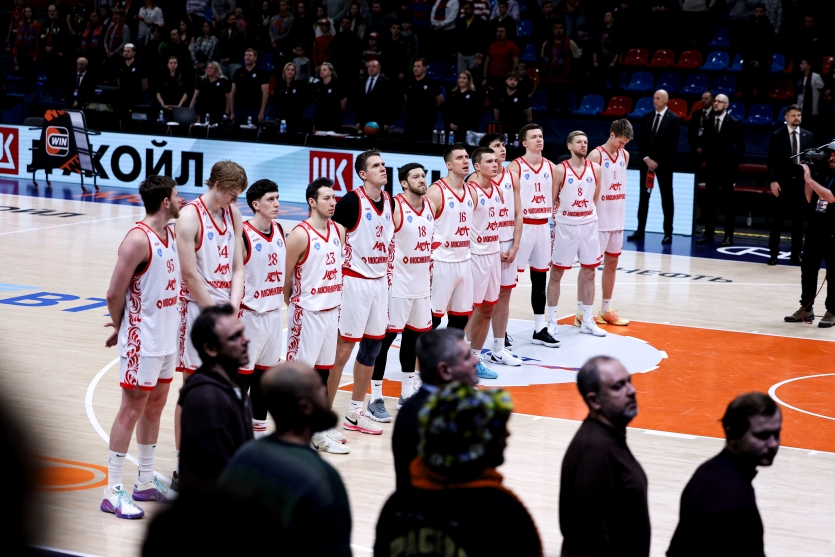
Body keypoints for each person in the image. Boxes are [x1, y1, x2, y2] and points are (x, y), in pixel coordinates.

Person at [376, 382, 542, 556]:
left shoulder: (397, 505)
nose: (508, 434)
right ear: (475, 442)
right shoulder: (505, 513)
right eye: (497, 429)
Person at [100, 176, 181, 519]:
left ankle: (145, 481)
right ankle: (112, 491)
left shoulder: (172, 234)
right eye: (177, 195)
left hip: (167, 337)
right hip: (142, 340)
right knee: (131, 408)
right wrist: (123, 327)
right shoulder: (137, 239)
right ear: (165, 202)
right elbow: (113, 293)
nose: (181, 200)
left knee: (155, 406)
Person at [219, 362, 352, 556]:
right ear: (305, 406)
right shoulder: (324, 477)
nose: (325, 390)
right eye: (319, 388)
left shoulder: (242, 459)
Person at [174, 161, 247, 485]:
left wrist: (233, 306)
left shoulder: (233, 214)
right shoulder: (190, 216)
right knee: (193, 387)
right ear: (216, 185)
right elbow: (189, 274)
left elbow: (238, 267)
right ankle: (183, 465)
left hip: (226, 309)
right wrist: (214, 314)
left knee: (226, 381)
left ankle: (219, 455)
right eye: (231, 193)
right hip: (197, 311)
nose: (234, 200)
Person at [667, 392, 782, 557]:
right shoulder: (732, 498)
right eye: (762, 436)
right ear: (733, 435)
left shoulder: (707, 471)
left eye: (776, 434)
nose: (773, 444)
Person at [328, 150, 394, 428]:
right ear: (363, 174)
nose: (383, 169)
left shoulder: (389, 200)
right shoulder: (351, 201)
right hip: (354, 281)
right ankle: (322, 418)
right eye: (376, 166)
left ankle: (355, 412)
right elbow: (333, 243)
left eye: (383, 164)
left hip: (379, 283)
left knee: (372, 348)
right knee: (342, 351)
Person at [560, 356, 650, 557]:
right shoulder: (594, 454)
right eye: (618, 386)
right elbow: (589, 541)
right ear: (594, 401)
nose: (632, 391)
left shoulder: (609, 438)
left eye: (629, 382)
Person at [284, 178, 349, 454]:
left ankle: (317, 432)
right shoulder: (299, 235)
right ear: (312, 202)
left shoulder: (339, 230)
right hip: (307, 313)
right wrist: (295, 304)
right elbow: (285, 277)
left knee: (322, 374)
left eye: (334, 197)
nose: (333, 202)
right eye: (327, 198)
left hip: (331, 310)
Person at [372, 164, 435, 414]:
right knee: (384, 342)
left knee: (413, 340)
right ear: (404, 183)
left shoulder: (430, 206)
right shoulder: (395, 206)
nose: (422, 180)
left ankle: (407, 394)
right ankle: (375, 397)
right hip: (396, 286)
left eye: (423, 175)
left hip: (421, 286)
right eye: (416, 177)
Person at [391, 328, 478, 489]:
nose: (476, 361)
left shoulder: (450, 405)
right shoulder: (423, 415)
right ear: (444, 371)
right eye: (467, 357)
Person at [178, 305, 253, 488]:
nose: (246, 340)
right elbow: (216, 475)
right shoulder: (207, 400)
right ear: (211, 348)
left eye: (242, 333)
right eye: (235, 337)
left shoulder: (236, 385)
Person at [236, 180, 285, 439]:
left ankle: (258, 434)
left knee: (264, 380)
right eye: (270, 199)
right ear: (255, 204)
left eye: (277, 198)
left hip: (274, 315)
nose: (276, 204)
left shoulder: (280, 230)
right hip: (249, 317)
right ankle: (232, 434)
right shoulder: (243, 235)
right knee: (241, 381)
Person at [548, 131, 606, 339]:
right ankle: (552, 321)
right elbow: (552, 199)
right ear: (569, 146)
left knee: (590, 272)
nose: (584, 145)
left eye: (586, 142)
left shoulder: (596, 169)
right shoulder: (560, 170)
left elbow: (595, 198)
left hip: (588, 224)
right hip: (566, 225)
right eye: (579, 142)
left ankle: (587, 319)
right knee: (556, 274)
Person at [507, 124, 558, 347]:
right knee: (507, 283)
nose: (539, 139)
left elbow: (554, 196)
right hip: (522, 226)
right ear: (524, 143)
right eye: (534, 137)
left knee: (540, 279)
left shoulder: (552, 167)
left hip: (543, 227)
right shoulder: (515, 167)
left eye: (541, 136)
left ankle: (539, 329)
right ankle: (501, 330)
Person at [581, 119, 632, 326]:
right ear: (612, 135)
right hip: (598, 220)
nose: (622, 146)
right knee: (589, 268)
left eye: (625, 143)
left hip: (617, 220)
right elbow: (586, 186)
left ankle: (605, 310)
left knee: (612, 264)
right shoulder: (596, 155)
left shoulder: (625, 155)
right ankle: (581, 312)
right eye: (621, 141)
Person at [480, 133, 523, 364]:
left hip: (507, 242)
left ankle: (499, 348)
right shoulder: (475, 181)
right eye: (497, 145)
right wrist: (492, 245)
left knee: (504, 295)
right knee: (479, 302)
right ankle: (468, 352)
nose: (503, 149)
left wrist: (515, 245)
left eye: (503, 145)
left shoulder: (512, 176)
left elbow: (519, 213)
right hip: (485, 246)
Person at [464, 147, 506, 380]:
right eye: (489, 161)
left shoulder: (497, 189)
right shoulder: (470, 191)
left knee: (489, 308)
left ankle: (474, 358)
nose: (495, 164)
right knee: (467, 311)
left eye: (496, 161)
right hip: (474, 256)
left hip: (493, 254)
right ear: (477, 166)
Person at [426, 146, 476, 334]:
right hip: (441, 262)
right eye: (459, 158)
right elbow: (423, 228)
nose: (465, 161)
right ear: (448, 164)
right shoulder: (436, 192)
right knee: (433, 318)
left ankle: (449, 352)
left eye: (466, 157)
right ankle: (422, 352)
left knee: (460, 318)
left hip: (464, 261)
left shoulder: (471, 191)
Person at [784, 151, 835, 327]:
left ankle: (832, 311)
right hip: (816, 228)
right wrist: (808, 179)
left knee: (833, 273)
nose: (832, 158)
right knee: (808, 269)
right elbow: (810, 197)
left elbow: (831, 197)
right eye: (831, 155)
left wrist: (809, 179)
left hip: (833, 231)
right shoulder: (824, 173)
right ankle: (806, 308)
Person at [629, 89, 681, 244]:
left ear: (666, 100)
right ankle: (640, 230)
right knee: (643, 198)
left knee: (667, 198)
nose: (655, 100)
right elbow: (640, 140)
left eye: (658, 98)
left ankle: (668, 233)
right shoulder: (647, 116)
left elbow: (672, 144)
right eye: (654, 98)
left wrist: (657, 161)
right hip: (646, 165)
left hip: (664, 165)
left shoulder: (674, 119)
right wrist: (646, 159)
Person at [697, 93, 747, 247]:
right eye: (715, 101)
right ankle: (708, 234)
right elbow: (704, 142)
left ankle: (728, 237)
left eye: (720, 101)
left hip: (727, 169)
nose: (716, 103)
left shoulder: (734, 122)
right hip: (711, 168)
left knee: (727, 204)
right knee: (710, 203)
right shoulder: (708, 121)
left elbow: (741, 146)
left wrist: (733, 164)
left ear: (726, 105)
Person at [767, 104, 812, 265]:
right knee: (777, 221)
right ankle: (773, 253)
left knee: (798, 222)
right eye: (793, 115)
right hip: (782, 184)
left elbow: (811, 162)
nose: (797, 118)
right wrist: (773, 180)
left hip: (800, 185)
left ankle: (796, 253)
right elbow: (771, 160)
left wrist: (810, 182)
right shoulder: (777, 135)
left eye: (799, 115)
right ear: (786, 117)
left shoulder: (808, 136)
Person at [541, 21, 579, 115]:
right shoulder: (546, 44)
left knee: (564, 106)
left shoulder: (570, 43)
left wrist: (571, 74)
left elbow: (576, 60)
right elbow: (542, 61)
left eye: (560, 27)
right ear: (553, 30)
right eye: (556, 28)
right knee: (551, 106)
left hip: (565, 80)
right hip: (550, 79)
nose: (558, 30)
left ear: (564, 30)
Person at [404, 58, 443, 141]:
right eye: (414, 66)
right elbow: (406, 98)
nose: (415, 69)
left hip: (426, 121)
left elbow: (440, 100)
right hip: (411, 120)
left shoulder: (432, 83)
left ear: (425, 68)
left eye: (418, 66)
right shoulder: (408, 82)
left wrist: (430, 111)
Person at [231, 48, 269, 124]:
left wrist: (261, 112)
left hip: (254, 109)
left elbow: (265, 94)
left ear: (255, 57)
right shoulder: (238, 72)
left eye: (250, 55)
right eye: (246, 55)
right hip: (239, 109)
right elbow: (233, 92)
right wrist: (232, 112)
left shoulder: (262, 73)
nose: (247, 57)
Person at [356, 59, 395, 133]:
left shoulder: (386, 82)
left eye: (374, 66)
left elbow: (390, 104)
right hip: (364, 120)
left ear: (379, 68)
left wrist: (388, 122)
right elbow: (359, 103)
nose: (371, 68)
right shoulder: (362, 81)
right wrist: (358, 121)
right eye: (369, 66)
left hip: (380, 121)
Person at [311, 62, 346, 132]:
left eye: (324, 70)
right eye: (321, 70)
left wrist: (338, 113)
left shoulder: (336, 85)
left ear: (330, 72)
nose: (321, 71)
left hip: (333, 118)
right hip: (320, 117)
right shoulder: (317, 85)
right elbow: (317, 100)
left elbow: (343, 101)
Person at [273, 62, 309, 132]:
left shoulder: (299, 86)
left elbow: (304, 101)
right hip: (281, 117)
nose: (290, 72)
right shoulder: (279, 85)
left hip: (294, 118)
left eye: (292, 70)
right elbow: (275, 101)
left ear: (295, 72)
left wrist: (297, 112)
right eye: (288, 69)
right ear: (284, 71)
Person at [445, 71, 480, 141]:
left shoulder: (474, 95)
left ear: (469, 80)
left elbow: (473, 113)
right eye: (460, 78)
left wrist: (461, 125)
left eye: (464, 78)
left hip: (467, 128)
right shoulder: (452, 93)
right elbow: (446, 110)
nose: (461, 80)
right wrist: (450, 123)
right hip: (451, 127)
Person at [687, 90, 714, 180]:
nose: (703, 100)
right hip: (696, 151)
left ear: (712, 100)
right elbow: (690, 133)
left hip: (710, 152)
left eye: (706, 98)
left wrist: (705, 148)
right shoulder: (696, 114)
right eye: (702, 98)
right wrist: (696, 147)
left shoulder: (715, 114)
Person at [455, 1, 488, 74]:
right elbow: (457, 37)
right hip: (462, 54)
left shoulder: (480, 22)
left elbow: (483, 39)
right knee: (462, 75)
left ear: (473, 9)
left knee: (473, 75)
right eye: (464, 9)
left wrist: (479, 53)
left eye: (467, 9)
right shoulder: (461, 21)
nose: (465, 11)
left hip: (474, 54)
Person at [483, 26, 518, 90]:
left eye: (502, 32)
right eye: (498, 31)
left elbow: (516, 62)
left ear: (506, 34)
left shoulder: (512, 46)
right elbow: (487, 63)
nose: (499, 33)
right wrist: (485, 77)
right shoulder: (492, 46)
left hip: (505, 77)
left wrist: (513, 76)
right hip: (493, 77)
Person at [796, 58, 824, 130]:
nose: (800, 65)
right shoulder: (800, 77)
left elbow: (821, 89)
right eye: (800, 64)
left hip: (811, 106)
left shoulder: (815, 76)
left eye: (803, 63)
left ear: (808, 66)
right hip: (801, 105)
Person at [217, 12, 245, 78]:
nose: (233, 21)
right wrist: (220, 58)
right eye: (231, 19)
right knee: (222, 81)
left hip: (235, 62)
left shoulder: (240, 32)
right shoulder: (223, 32)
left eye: (234, 19)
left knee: (236, 80)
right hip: (223, 62)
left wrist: (230, 59)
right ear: (227, 21)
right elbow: (218, 46)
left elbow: (241, 48)